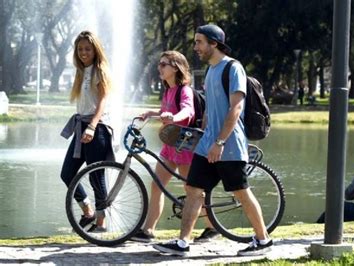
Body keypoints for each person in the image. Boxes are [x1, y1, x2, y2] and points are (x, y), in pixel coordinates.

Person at [153, 24, 273, 257]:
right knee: (193, 189)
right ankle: (183, 242)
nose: (195, 47)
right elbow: (210, 110)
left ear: (214, 43)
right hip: (207, 144)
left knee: (241, 192)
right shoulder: (210, 71)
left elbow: (236, 107)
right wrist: (203, 134)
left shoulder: (233, 68)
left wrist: (219, 142)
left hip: (229, 146)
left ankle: (263, 240)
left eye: (199, 42)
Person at [131, 51, 219, 243]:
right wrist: (151, 113)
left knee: (193, 192)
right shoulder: (169, 90)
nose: (159, 68)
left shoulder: (184, 90)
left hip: (186, 147)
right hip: (171, 147)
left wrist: (174, 118)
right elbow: (166, 111)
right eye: (159, 64)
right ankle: (148, 230)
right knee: (157, 185)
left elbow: (187, 111)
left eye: (164, 64)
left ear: (175, 67)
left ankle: (212, 228)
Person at [60, 31, 115, 232]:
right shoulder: (81, 71)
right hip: (81, 127)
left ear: (95, 50)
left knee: (96, 176)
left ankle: (101, 224)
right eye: (80, 49)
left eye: (87, 49)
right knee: (67, 174)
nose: (83, 52)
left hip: (97, 128)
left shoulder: (100, 70)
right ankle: (88, 211)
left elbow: (102, 102)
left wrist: (92, 126)